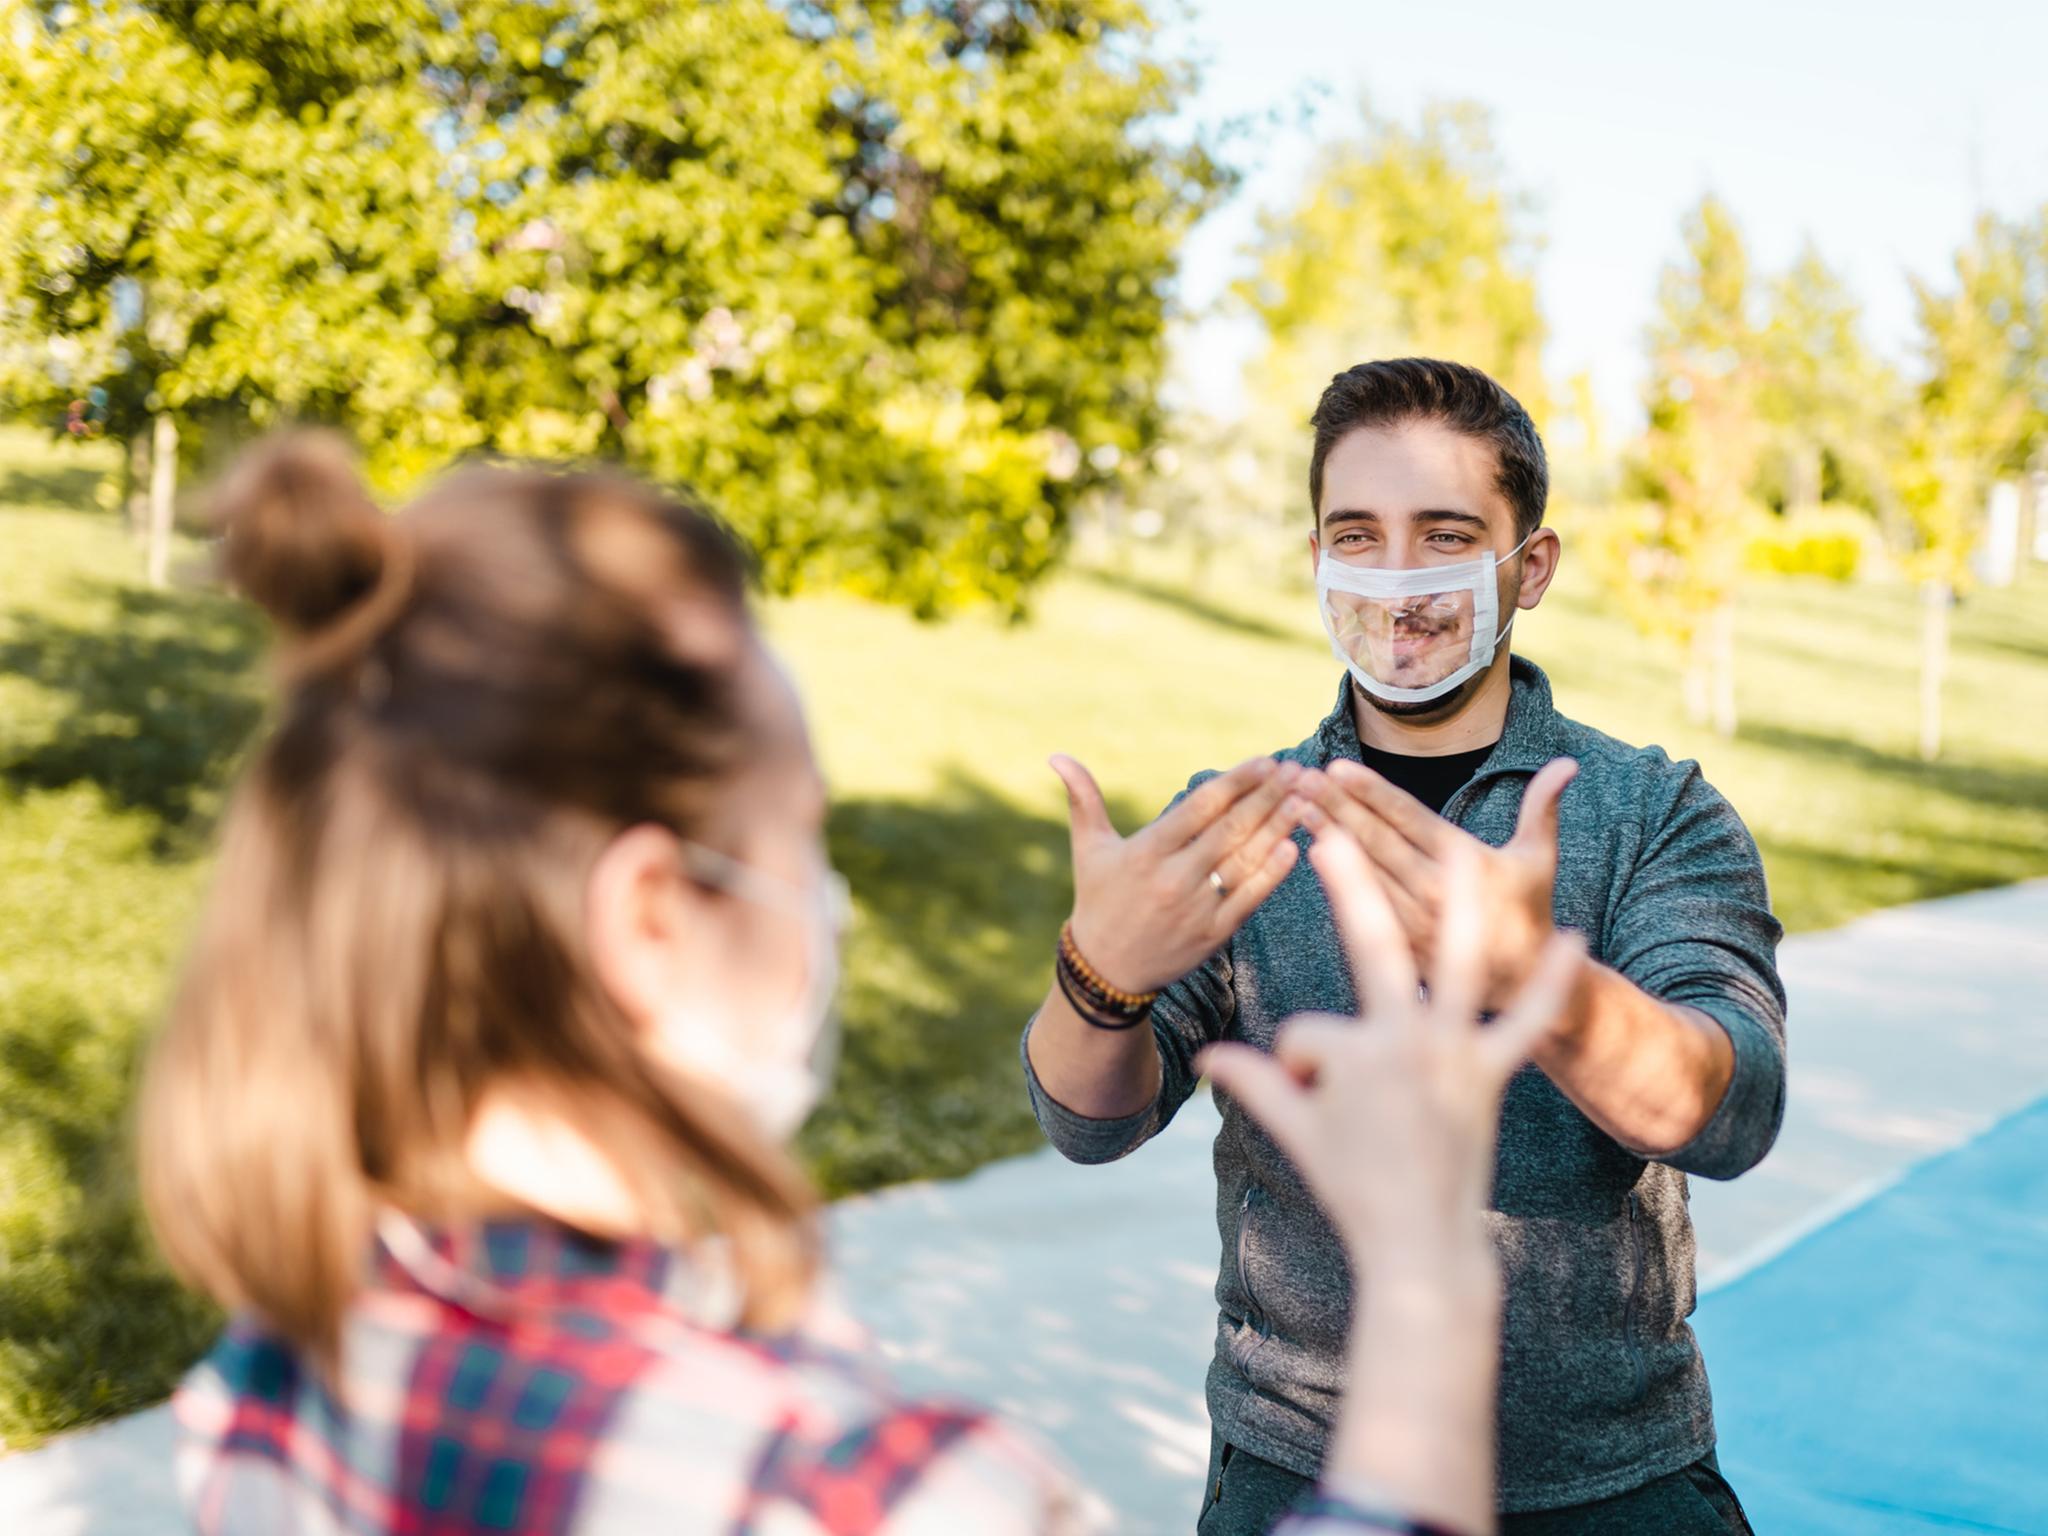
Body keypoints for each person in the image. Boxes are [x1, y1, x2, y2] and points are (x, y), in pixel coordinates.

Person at [140, 432, 1583, 1536]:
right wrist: (1427, 1274)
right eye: (800, 836)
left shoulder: (273, 1371)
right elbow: (1086, 1113)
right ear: (652, 917)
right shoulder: (861, 1487)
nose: (826, 903)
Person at [1023, 358, 1784, 1534]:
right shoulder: (1239, 821)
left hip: (1616, 1479)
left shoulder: (1652, 810)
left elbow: (1733, 1110)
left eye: (1443, 536)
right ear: (1317, 562)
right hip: (1299, 1467)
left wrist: (1542, 985)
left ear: (1527, 568)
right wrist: (1097, 977)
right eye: (1357, 536)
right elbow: (1088, 1122)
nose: (1400, 583)